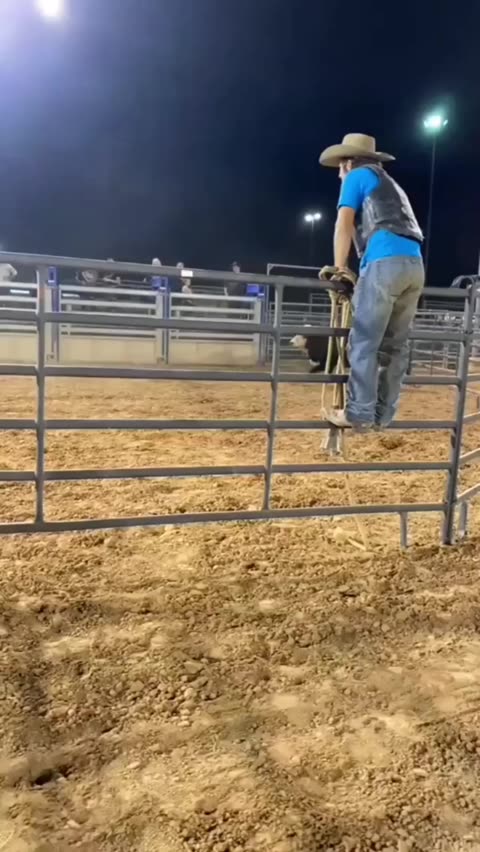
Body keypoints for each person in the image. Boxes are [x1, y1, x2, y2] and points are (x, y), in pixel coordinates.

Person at [319, 133, 424, 431]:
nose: (339, 174)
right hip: (414, 265)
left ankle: (360, 414)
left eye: (340, 167)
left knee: (364, 341)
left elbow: (343, 223)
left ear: (348, 162)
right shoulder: (391, 185)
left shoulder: (356, 176)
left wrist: (340, 268)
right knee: (395, 347)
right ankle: (383, 415)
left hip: (383, 264)